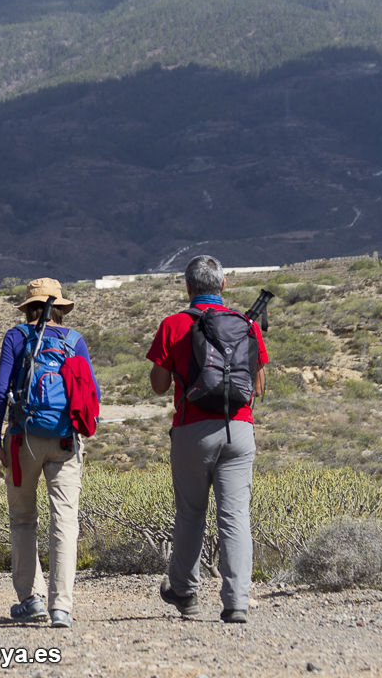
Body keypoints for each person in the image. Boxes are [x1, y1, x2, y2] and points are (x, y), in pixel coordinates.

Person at [147, 255, 268, 624]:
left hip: (192, 429)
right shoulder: (247, 325)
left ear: (188, 287)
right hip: (239, 428)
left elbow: (158, 385)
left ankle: (185, 592)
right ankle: (237, 603)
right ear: (224, 285)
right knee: (235, 518)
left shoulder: (173, 324)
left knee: (191, 513)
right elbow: (258, 387)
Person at [0, 277, 98, 629]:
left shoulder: (16, 337)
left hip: (23, 439)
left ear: (28, 308)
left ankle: (31, 598)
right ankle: (61, 608)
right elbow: (92, 393)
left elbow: (0, 392)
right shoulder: (74, 340)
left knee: (23, 519)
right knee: (64, 522)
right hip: (66, 440)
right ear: (60, 308)